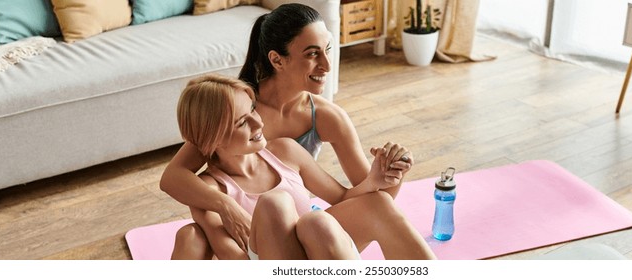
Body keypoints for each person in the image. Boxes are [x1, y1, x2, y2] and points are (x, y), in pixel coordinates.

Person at [160, 3, 412, 258]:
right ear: (277, 60)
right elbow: (173, 177)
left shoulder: (322, 119)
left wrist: (388, 175)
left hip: (310, 229)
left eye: (328, 50)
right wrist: (225, 206)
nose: (327, 65)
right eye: (312, 54)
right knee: (196, 233)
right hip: (261, 239)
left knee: (347, 211)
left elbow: (363, 199)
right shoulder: (235, 106)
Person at [170, 74, 435, 260]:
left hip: (324, 252)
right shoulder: (208, 189)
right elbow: (233, 257)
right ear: (212, 138)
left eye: (253, 110)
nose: (258, 123)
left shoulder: (284, 150)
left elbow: (343, 199)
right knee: (276, 203)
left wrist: (375, 182)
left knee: (371, 206)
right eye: (242, 123)